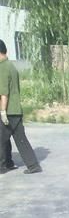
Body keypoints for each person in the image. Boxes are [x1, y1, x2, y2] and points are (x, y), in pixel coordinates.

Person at [0, 38, 42, 174]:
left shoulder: (3, 68)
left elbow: (4, 93)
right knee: (20, 139)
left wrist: (2, 112)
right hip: (16, 110)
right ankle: (33, 165)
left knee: (1, 138)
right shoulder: (12, 67)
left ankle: (3, 165)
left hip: (8, 111)